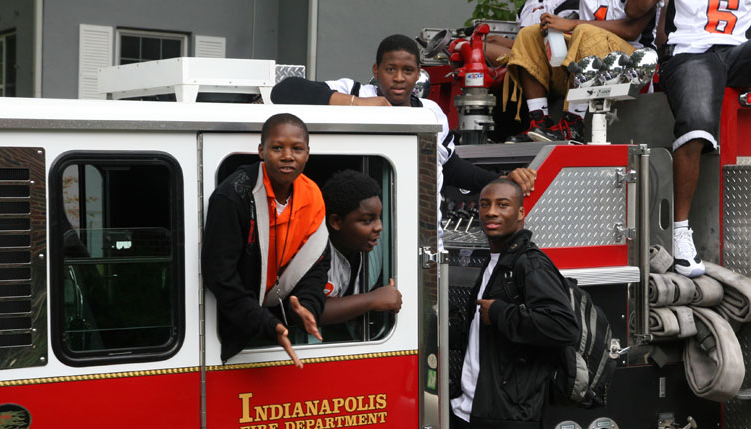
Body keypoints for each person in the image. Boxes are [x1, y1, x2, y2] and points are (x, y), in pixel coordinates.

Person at [441, 178, 578, 429]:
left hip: (502, 428)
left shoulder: (530, 264)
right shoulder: (495, 261)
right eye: (485, 204)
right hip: (465, 418)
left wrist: (501, 312)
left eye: (502, 205)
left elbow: (563, 327)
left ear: (521, 212)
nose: (491, 212)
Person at [270, 34, 537, 214]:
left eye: (407, 71)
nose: (399, 78)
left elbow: (450, 167)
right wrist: (358, 104)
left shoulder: (431, 111)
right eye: (390, 69)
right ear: (376, 70)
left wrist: (501, 180)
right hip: (361, 228)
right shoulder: (353, 91)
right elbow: (284, 91)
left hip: (422, 228)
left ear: (419, 73)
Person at [202, 113, 329, 367]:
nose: (287, 156)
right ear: (261, 151)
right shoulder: (233, 196)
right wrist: (268, 324)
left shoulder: (313, 195)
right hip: (234, 328)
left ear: (308, 153)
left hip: (277, 322)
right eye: (277, 147)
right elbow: (220, 276)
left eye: (297, 148)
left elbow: (316, 263)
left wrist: (307, 307)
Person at [643, 0, 751, 277]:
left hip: (739, 50)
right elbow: (639, 12)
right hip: (690, 50)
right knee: (696, 123)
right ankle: (681, 231)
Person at [504, 0, 658, 143]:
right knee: (529, 34)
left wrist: (572, 24)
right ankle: (540, 122)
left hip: (632, 65)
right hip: (588, 61)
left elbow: (631, 31)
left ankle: (573, 125)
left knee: (586, 31)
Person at [319, 170, 402, 334]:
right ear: (336, 221)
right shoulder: (314, 250)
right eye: (367, 220)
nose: (379, 227)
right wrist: (373, 299)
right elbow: (311, 311)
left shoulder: (377, 243)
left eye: (379, 218)